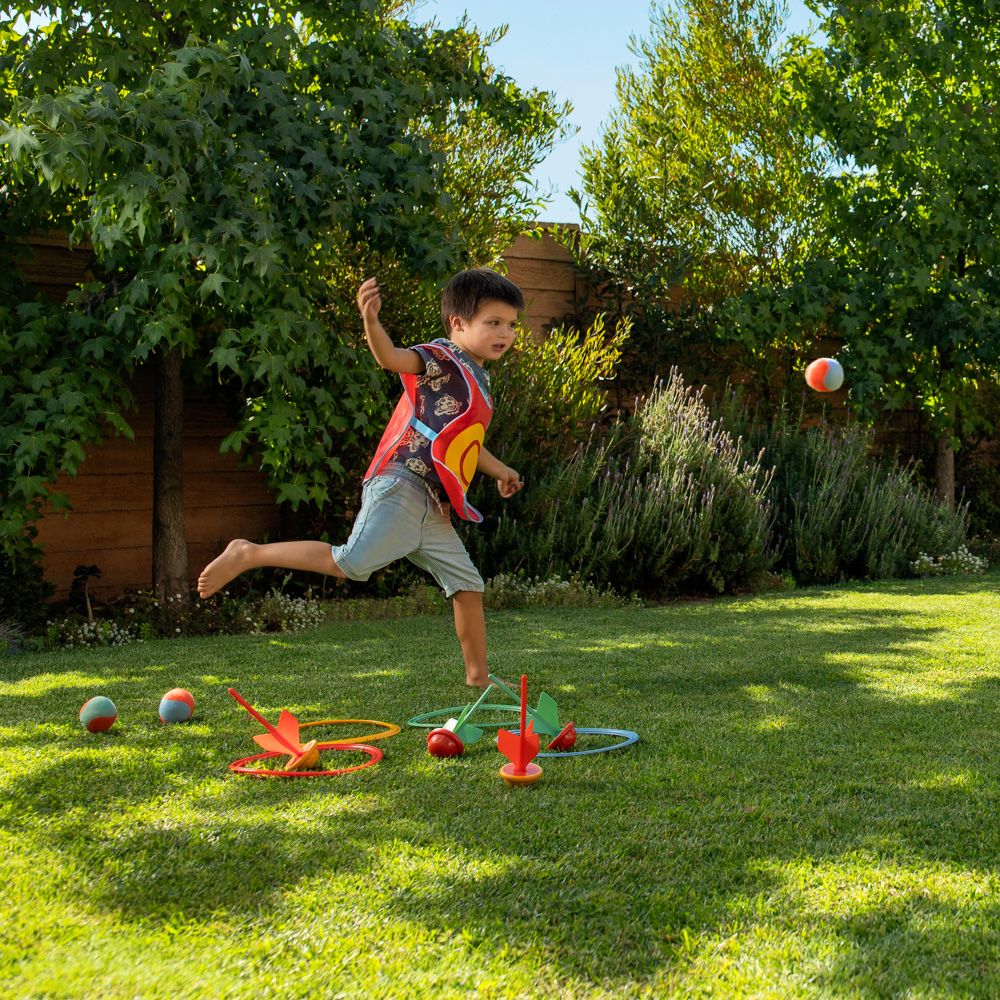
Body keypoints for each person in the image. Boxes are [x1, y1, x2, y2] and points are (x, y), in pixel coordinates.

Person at [197, 267, 525, 688]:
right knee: (353, 563)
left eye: (511, 324)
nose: (505, 332)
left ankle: (478, 679)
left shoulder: (479, 380)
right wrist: (372, 322)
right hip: (401, 484)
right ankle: (247, 554)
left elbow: (464, 443)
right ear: (458, 324)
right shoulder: (441, 358)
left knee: (467, 585)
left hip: (431, 503)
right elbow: (391, 358)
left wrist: (502, 472)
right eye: (493, 322)